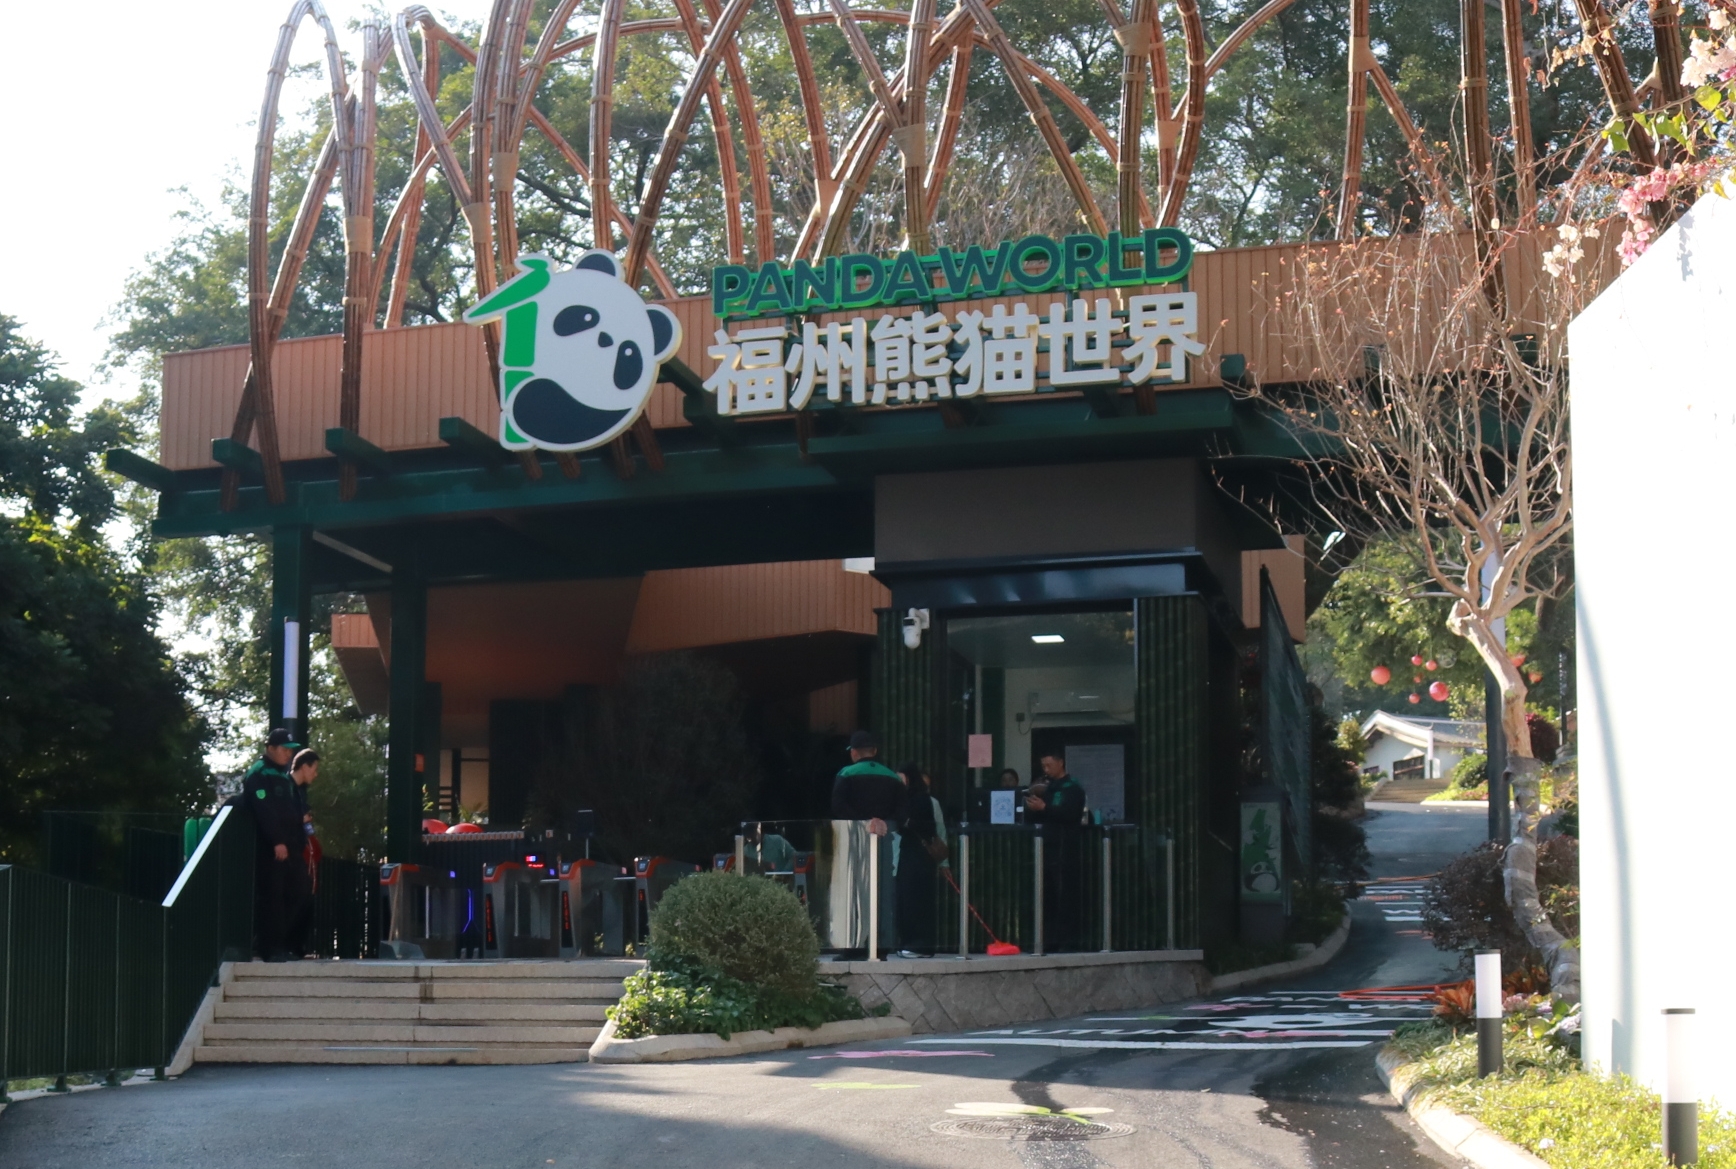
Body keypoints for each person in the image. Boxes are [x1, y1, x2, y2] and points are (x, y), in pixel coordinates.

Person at [831, 730, 905, 954]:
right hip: (884, 841)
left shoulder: (846, 774)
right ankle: (881, 946)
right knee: (882, 892)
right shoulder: (892, 777)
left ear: (854, 752)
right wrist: (881, 822)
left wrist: (864, 823)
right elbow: (902, 813)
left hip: (854, 842)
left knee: (854, 892)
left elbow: (838, 806)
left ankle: (853, 946)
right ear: (875, 751)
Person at [245, 728, 307, 962]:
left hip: (291, 846)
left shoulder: (284, 776)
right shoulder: (259, 773)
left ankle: (278, 943)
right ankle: (269, 948)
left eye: (291, 751)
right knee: (272, 897)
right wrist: (277, 840)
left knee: (298, 891)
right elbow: (264, 809)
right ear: (270, 748)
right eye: (284, 749)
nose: (288, 754)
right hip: (270, 847)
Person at [1026, 750, 1088, 950]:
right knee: (1047, 895)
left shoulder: (1072, 788)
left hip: (1065, 848)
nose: (1046, 770)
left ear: (1060, 763)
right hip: (1046, 847)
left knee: (1065, 895)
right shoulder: (1047, 787)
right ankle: (1047, 940)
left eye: (1049, 765)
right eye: (1043, 766)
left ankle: (1068, 941)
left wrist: (1045, 808)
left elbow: (1069, 814)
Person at [894, 763, 940, 958]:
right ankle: (909, 942)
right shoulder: (909, 797)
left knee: (916, 900)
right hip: (910, 853)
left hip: (919, 856)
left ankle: (920, 945)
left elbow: (925, 826)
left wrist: (905, 821)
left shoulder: (920, 799)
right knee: (906, 899)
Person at [285, 748, 321, 957]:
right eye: (314, 769)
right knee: (296, 897)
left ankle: (296, 946)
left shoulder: (297, 792)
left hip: (298, 850)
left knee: (305, 897)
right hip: (288, 852)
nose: (315, 774)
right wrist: (301, 819)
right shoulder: (286, 788)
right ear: (304, 767)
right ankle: (288, 944)